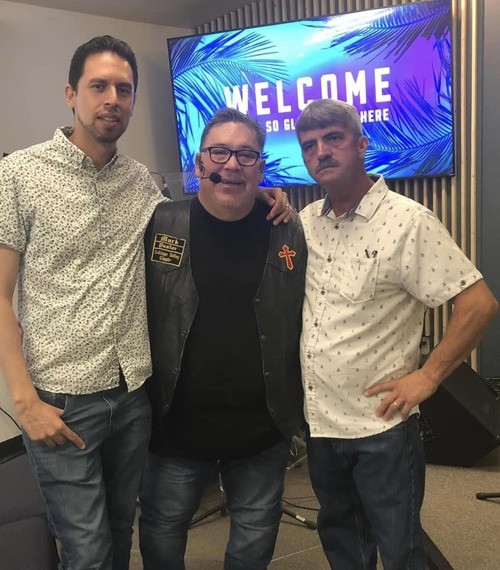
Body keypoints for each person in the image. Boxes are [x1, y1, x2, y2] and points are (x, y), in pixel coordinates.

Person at [0, 36, 289, 570]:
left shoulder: (140, 184)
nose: (112, 98)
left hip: (133, 396)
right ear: (71, 94)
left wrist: (264, 194)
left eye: (124, 89)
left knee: (119, 532)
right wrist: (24, 401)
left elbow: (208, 203)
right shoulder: (19, 174)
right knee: (86, 550)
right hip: (62, 399)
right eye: (98, 86)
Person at [294, 99, 498, 570]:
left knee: (400, 547)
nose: (321, 152)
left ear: (361, 144)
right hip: (320, 424)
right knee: (343, 543)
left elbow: (478, 304)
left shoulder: (408, 221)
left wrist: (427, 377)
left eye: (333, 138)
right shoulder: (305, 224)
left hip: (381, 427)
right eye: (309, 145)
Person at [139, 107, 307, 570]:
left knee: (255, 536)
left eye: (246, 155)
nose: (232, 164)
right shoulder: (160, 223)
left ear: (260, 166)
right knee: (162, 529)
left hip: (262, 424)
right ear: (199, 164)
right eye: (219, 152)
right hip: (175, 423)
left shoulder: (287, 227)